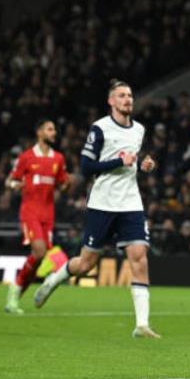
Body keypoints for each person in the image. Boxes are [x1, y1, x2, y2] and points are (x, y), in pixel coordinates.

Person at [33, 80, 160, 338]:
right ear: (111, 101)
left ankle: (142, 325)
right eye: (122, 96)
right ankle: (53, 280)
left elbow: (132, 163)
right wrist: (118, 161)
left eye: (130, 95)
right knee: (86, 264)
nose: (128, 100)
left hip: (131, 203)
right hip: (102, 203)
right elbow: (86, 167)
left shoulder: (139, 130)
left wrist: (143, 166)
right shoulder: (99, 128)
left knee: (139, 256)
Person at [4, 119, 69, 314]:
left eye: (54, 129)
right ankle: (14, 289)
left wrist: (69, 184)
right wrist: (17, 185)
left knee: (39, 260)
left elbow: (62, 185)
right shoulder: (26, 157)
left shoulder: (58, 158)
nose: (54, 133)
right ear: (40, 132)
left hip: (48, 215)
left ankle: (14, 298)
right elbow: (10, 181)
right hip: (30, 212)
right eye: (50, 129)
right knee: (40, 252)